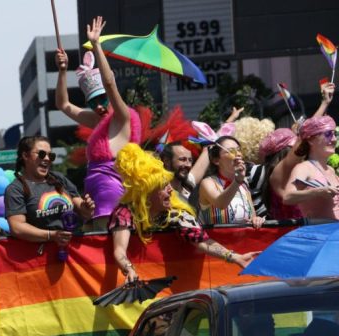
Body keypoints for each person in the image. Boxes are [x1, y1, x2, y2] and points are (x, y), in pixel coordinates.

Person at [109, 144, 259, 284]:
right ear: (147, 192)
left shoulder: (177, 214)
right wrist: (128, 268)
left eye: (169, 184)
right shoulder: (125, 212)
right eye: (163, 186)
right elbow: (119, 250)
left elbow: (202, 241)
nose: (170, 190)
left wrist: (235, 257)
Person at [55, 16, 142, 228]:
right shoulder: (97, 121)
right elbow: (63, 104)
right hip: (93, 195)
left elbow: (109, 83)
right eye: (93, 102)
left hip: (111, 192)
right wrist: (62, 71)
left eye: (102, 99)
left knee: (106, 242)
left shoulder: (122, 116)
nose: (99, 106)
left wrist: (96, 45)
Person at [5, 135, 95, 244]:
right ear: (25, 156)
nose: (47, 159)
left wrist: (87, 209)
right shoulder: (16, 189)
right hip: (41, 251)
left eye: (51, 155)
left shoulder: (59, 178)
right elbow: (17, 227)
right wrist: (51, 235)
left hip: (74, 248)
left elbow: (83, 212)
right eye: (41, 154)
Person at [197, 136, 266, 228]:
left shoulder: (243, 183)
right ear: (216, 160)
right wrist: (237, 181)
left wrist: (256, 219)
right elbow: (221, 204)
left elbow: (252, 216)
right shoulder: (208, 183)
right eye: (231, 151)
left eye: (238, 150)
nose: (238, 154)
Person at [283, 116, 339, 220]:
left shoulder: (330, 169)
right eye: (328, 134)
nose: (334, 139)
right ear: (311, 140)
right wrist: (317, 192)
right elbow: (287, 197)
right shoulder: (304, 168)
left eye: (334, 134)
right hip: (321, 230)